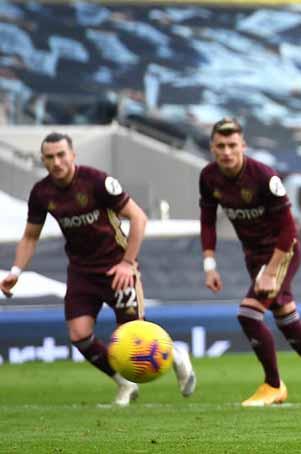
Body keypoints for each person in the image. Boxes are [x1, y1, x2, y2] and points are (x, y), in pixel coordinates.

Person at [0, 132, 196, 406]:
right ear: (43, 160)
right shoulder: (42, 193)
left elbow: (138, 217)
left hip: (117, 268)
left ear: (73, 155)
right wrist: (16, 272)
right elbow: (30, 236)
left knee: (133, 335)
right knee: (79, 335)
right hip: (81, 272)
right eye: (49, 157)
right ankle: (124, 384)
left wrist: (127, 263)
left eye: (61, 155)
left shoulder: (97, 182)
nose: (56, 162)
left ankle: (175, 354)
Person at [199, 118, 301, 406]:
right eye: (220, 146)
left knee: (248, 315)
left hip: (282, 251)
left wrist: (271, 272)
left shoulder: (264, 176)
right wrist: (209, 264)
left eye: (232, 145)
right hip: (253, 255)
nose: (226, 152)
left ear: (243, 146)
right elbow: (208, 220)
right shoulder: (208, 177)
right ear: (212, 147)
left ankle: (273, 384)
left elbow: (289, 230)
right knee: (286, 319)